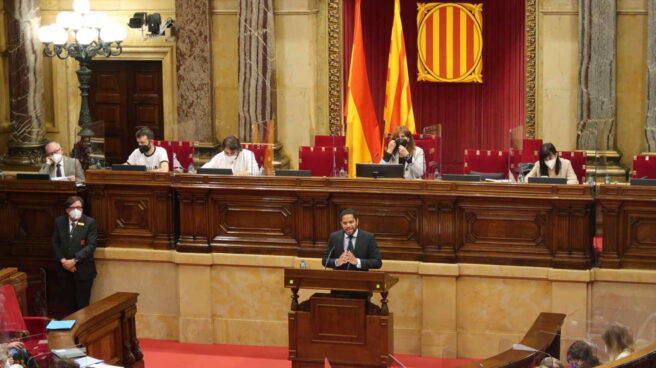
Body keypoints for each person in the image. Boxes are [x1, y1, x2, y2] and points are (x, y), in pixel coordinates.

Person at [52, 196, 98, 314]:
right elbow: (55, 243)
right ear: (67, 210)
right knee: (68, 305)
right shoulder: (59, 222)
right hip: (64, 270)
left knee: (82, 306)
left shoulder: (90, 222)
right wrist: (64, 261)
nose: (76, 210)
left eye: (79, 207)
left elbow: (91, 246)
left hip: (83, 271)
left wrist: (74, 260)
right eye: (73, 207)